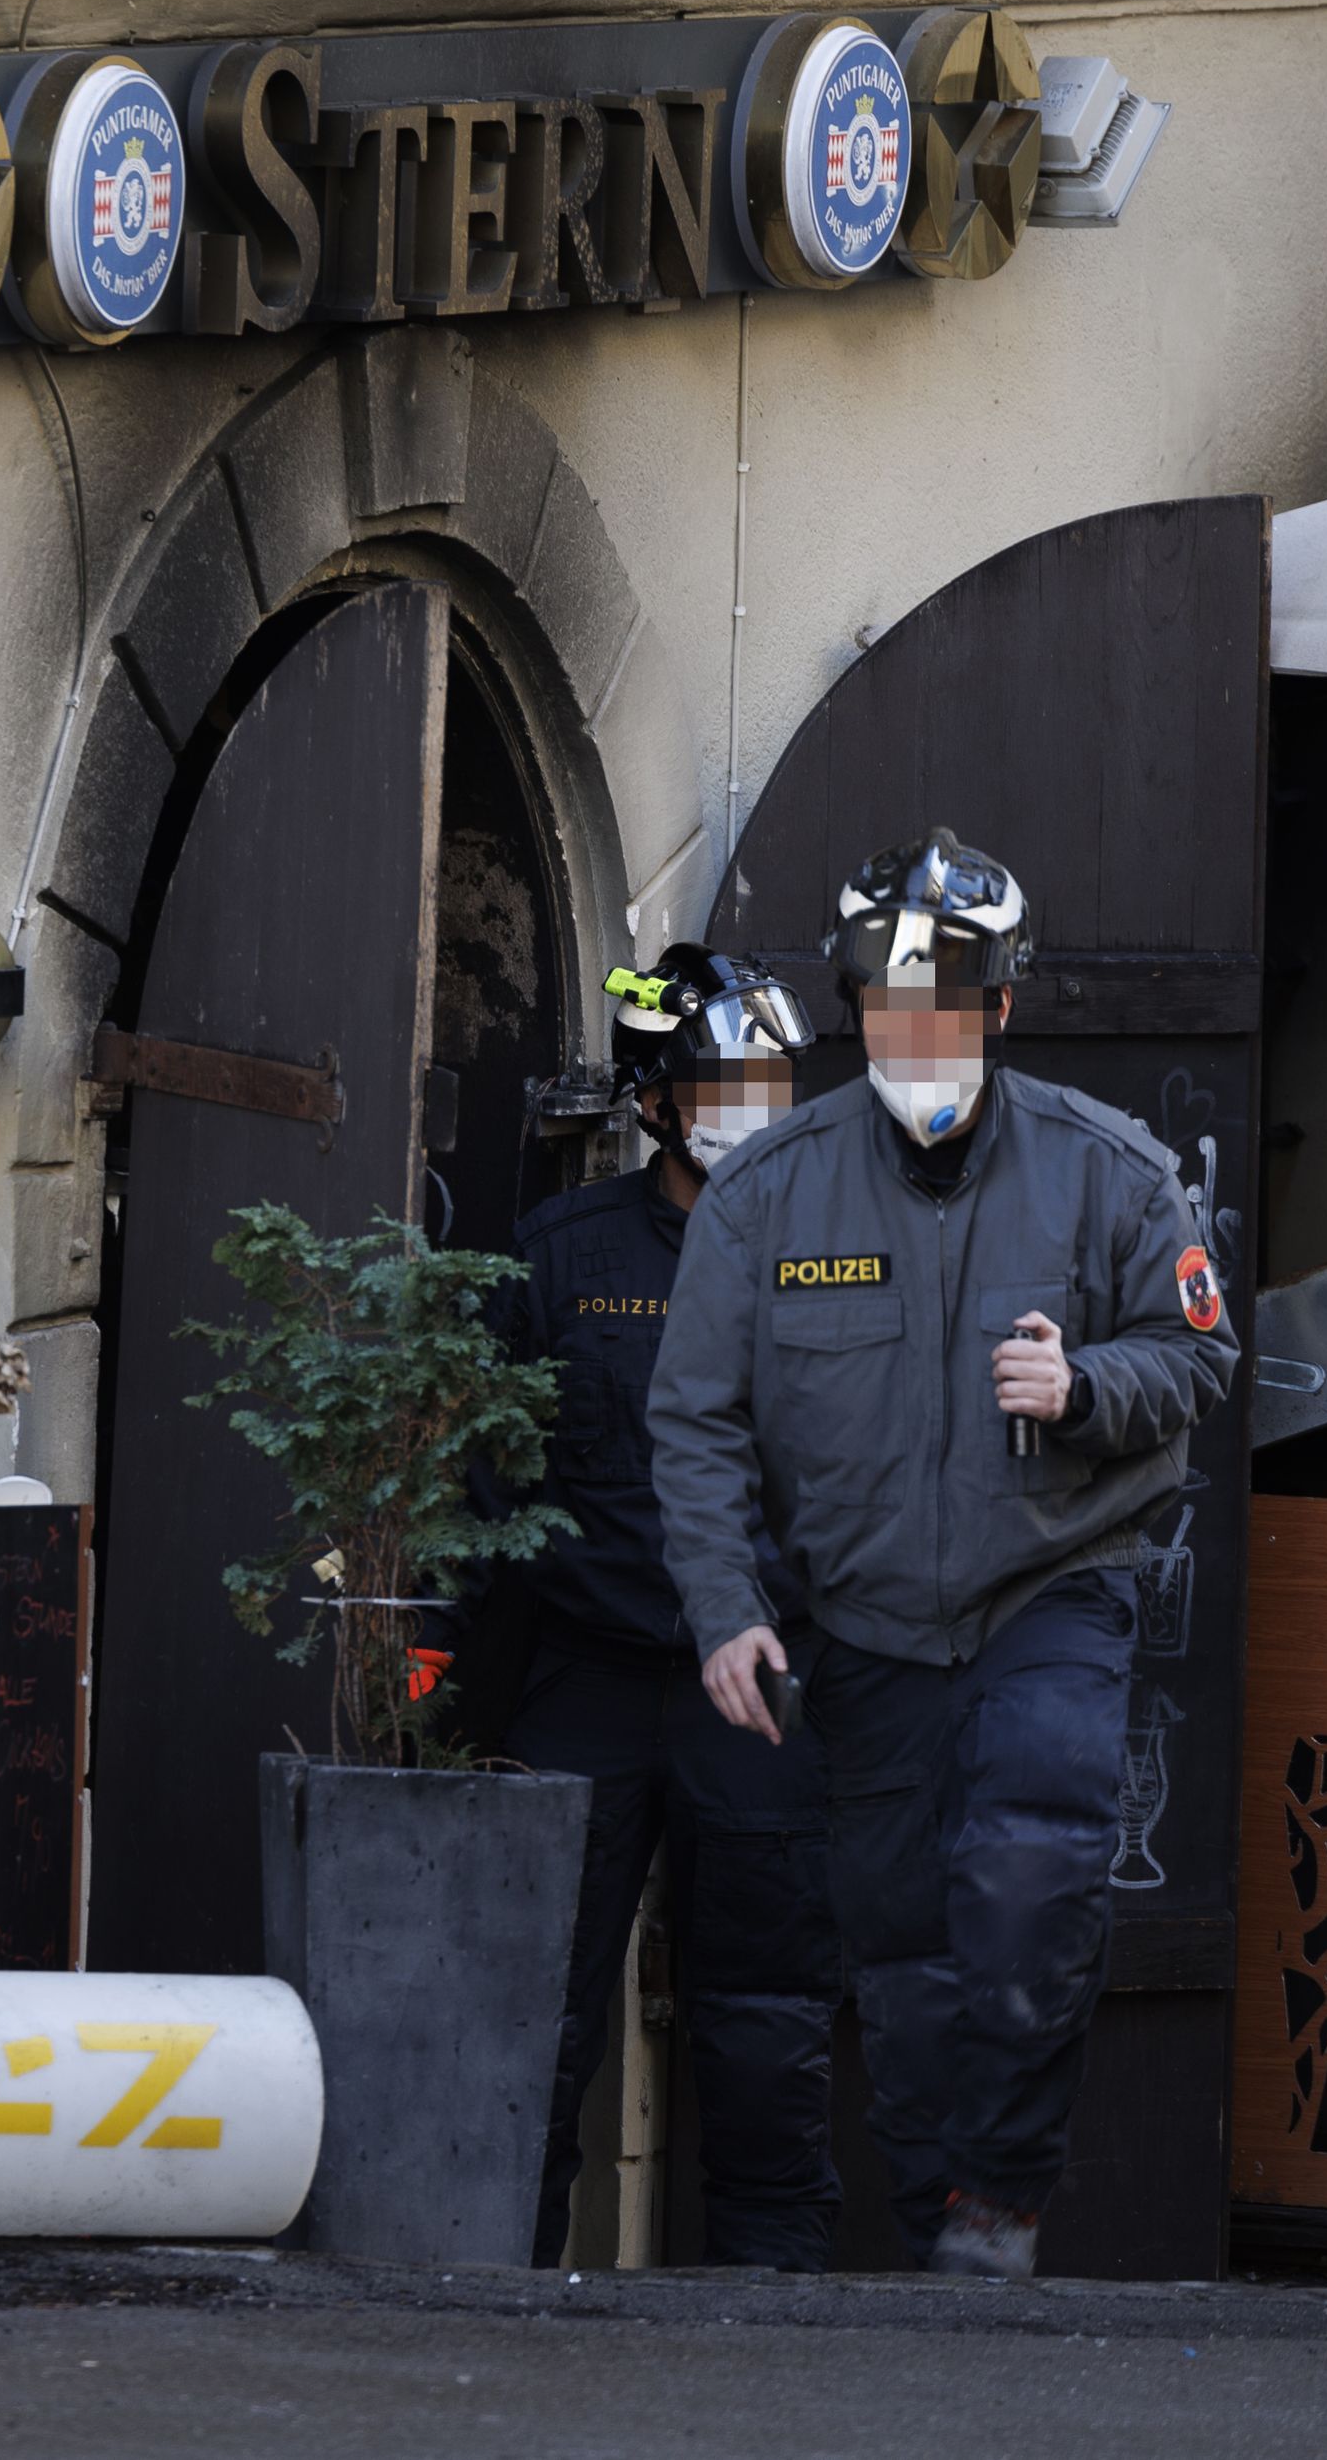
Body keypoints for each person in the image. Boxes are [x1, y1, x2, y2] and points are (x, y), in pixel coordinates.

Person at [648, 829, 1237, 2279]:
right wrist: (727, 1609)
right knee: (904, 1969)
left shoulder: (1113, 1173)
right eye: (889, 1002)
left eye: (946, 1003)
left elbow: (1203, 1351)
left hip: (1052, 1591)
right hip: (865, 1632)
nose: (916, 1033)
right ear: (855, 1007)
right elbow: (697, 1424)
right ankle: (944, 2248)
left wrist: (1088, 1387)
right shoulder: (764, 1200)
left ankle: (1003, 2197)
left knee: (1034, 1887)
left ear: (1000, 1008)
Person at [487, 944, 843, 2270]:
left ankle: (778, 2321)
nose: (756, 1107)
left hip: (760, 1688)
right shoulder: (560, 1261)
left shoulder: (842, 1260)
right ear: (654, 1105)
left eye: (775, 1082)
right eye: (725, 1083)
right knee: (537, 2017)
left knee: (766, 2021)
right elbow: (488, 1499)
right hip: (587, 1682)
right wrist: (435, 1697)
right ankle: (495, 2297)